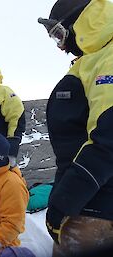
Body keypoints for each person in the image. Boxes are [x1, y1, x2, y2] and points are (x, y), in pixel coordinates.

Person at [38, 0, 113, 256]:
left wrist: (64, 202)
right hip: (86, 204)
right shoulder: (93, 59)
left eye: (59, 34)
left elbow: (108, 140)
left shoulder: (109, 59)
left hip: (97, 210)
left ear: (81, 21)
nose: (61, 47)